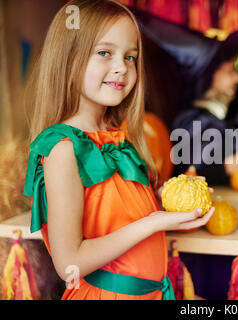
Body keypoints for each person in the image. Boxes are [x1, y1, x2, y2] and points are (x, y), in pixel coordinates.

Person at [23, 0, 214, 300]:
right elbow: (70, 262)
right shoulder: (62, 148)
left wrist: (166, 200)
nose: (121, 68)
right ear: (68, 59)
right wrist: (153, 222)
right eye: (104, 53)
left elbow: (116, 215)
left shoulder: (118, 137)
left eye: (130, 57)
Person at [136, 13, 238, 185]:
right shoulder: (192, 123)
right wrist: (230, 165)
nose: (237, 79)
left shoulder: (218, 118)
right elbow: (185, 172)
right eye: (229, 71)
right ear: (207, 79)